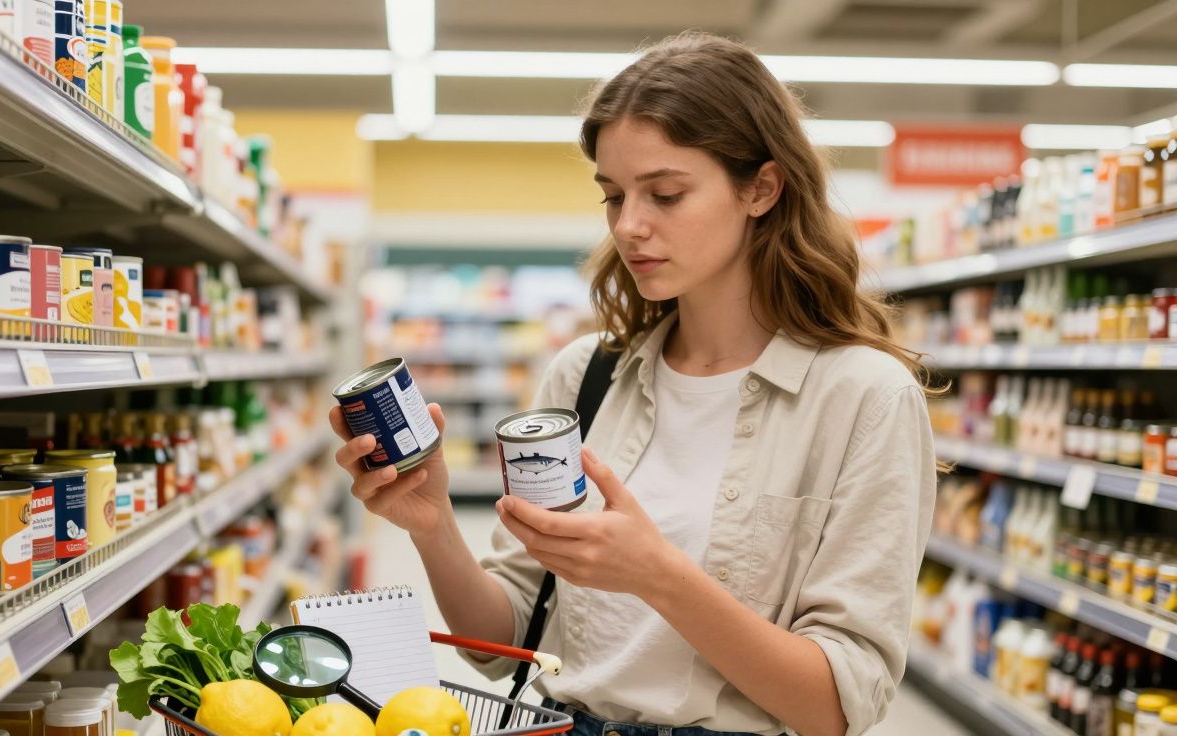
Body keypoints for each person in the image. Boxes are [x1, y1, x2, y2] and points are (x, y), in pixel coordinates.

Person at [331, 31, 937, 736]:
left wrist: (658, 574)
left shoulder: (863, 398)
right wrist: (433, 527)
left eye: (666, 194)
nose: (630, 226)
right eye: (614, 197)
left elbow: (837, 707)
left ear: (761, 189)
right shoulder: (586, 376)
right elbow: (503, 644)